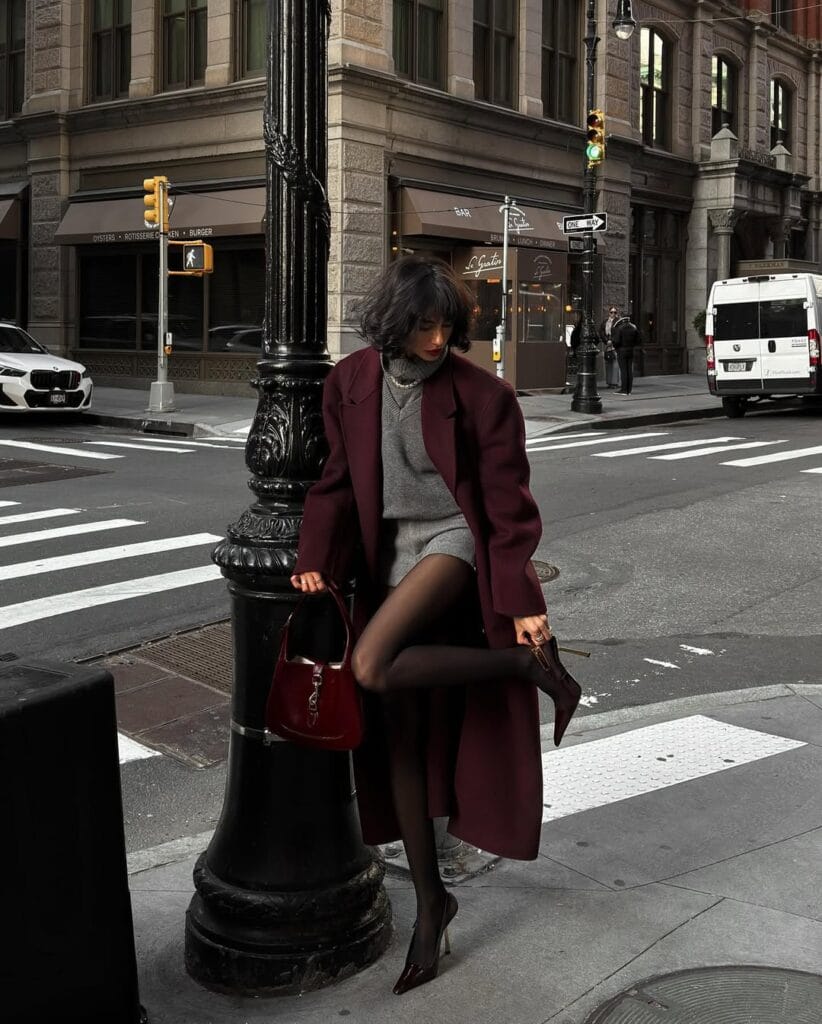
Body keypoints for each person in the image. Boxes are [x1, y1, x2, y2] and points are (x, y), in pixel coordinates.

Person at [291, 255, 581, 996]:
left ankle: (527, 668)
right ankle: (431, 906)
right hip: (384, 559)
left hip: (451, 544)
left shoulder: (482, 396)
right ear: (393, 321)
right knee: (403, 748)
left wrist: (522, 607)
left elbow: (508, 507)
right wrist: (315, 556)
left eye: (448, 323)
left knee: (372, 666)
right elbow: (333, 481)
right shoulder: (349, 382)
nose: (438, 336)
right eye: (424, 322)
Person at [612, 313, 641, 395]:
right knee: (629, 370)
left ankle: (624, 390)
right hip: (631, 350)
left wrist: (616, 347)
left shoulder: (620, 327)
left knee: (623, 370)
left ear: (622, 318)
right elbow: (638, 340)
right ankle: (629, 390)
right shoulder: (634, 327)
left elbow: (616, 341)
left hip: (622, 350)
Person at [598, 305, 620, 388]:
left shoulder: (618, 322)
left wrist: (612, 341)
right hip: (607, 345)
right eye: (611, 312)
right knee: (608, 363)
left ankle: (614, 382)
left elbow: (618, 333)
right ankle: (609, 382)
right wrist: (606, 341)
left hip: (615, 346)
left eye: (615, 312)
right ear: (609, 313)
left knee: (615, 364)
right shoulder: (605, 322)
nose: (613, 314)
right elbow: (601, 332)